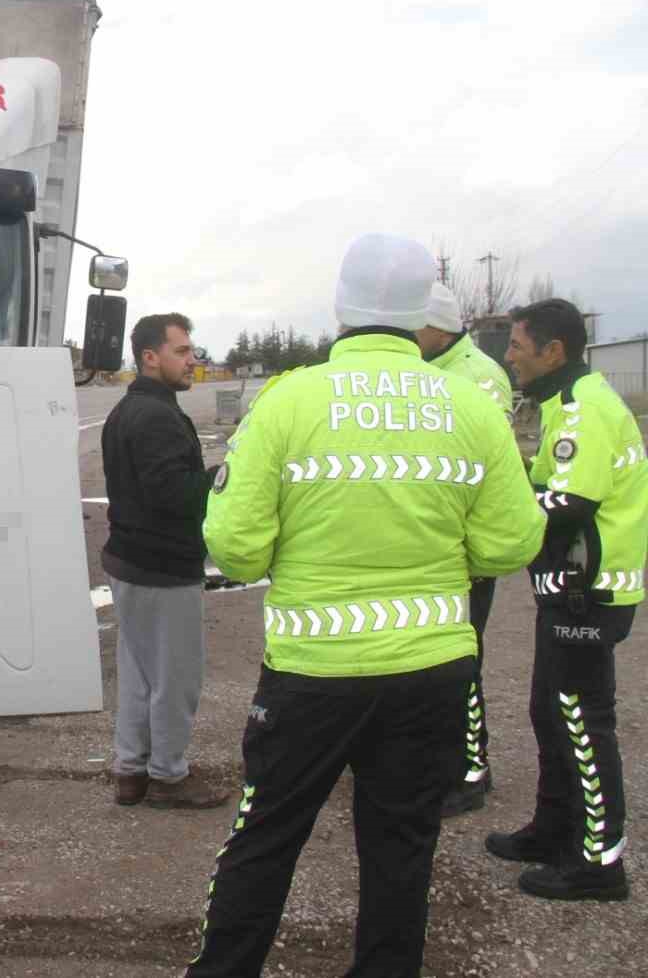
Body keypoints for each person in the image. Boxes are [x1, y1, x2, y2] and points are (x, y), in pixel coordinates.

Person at [186, 234, 544, 977]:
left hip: (313, 673)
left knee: (265, 838)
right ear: (424, 314)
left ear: (341, 306)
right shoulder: (472, 407)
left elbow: (237, 547)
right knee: (402, 850)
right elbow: (511, 543)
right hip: (431, 670)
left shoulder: (289, 400)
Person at [488, 297, 646, 902]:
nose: (510, 358)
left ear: (553, 352)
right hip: (567, 588)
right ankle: (554, 830)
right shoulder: (563, 405)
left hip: (590, 593)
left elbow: (568, 503)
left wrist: (496, 512)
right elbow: (548, 482)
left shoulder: (583, 409)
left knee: (582, 721)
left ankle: (601, 863)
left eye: (518, 347)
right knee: (549, 712)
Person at [101, 312, 229, 810]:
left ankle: (130, 772)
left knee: (139, 674)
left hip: (132, 563)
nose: (192, 359)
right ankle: (169, 776)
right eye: (181, 351)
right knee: (176, 678)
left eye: (191, 349)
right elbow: (174, 494)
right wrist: (225, 475)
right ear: (150, 357)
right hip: (161, 567)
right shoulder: (154, 417)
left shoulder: (132, 409)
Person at [415, 282, 516, 817]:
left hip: (466, 550)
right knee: (438, 661)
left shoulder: (477, 377)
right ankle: (440, 759)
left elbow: (487, 474)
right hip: (438, 545)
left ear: (434, 327)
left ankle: (470, 771)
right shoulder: (438, 370)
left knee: (462, 659)